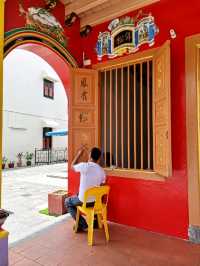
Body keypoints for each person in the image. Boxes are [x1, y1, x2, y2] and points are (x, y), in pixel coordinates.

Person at [65, 146, 106, 232]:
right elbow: (102, 184)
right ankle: (95, 221)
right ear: (99, 158)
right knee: (81, 194)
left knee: (67, 201)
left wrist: (79, 154)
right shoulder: (102, 171)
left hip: (84, 201)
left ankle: (82, 224)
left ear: (90, 155)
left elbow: (72, 166)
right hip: (96, 202)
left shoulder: (85, 166)